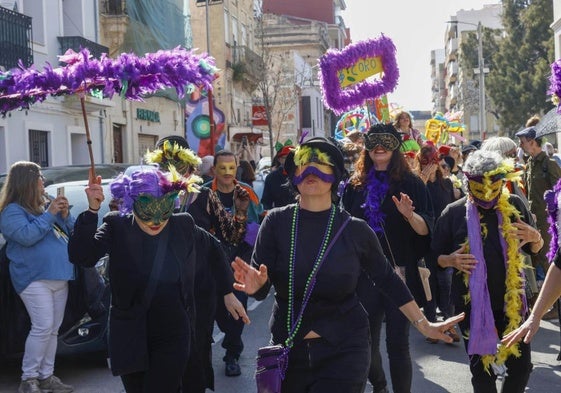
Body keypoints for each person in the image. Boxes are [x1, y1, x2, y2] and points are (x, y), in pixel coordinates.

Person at [230, 137, 463, 392]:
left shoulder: (354, 230)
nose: (310, 171)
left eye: (320, 164)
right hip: (289, 351)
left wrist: (425, 325)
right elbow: (261, 288)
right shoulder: (276, 223)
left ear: (336, 175)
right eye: (303, 163)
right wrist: (256, 286)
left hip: (345, 352)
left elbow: (388, 280)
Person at [67, 168, 249, 393]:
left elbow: (214, 248)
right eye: (147, 213)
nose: (155, 222)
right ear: (132, 203)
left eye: (162, 213)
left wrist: (227, 292)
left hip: (173, 331)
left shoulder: (182, 225)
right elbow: (82, 256)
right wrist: (92, 210)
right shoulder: (117, 226)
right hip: (129, 331)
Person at [432, 150, 543, 393]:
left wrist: (536, 238)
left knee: (521, 367)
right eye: (478, 183)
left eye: (493, 182)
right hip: (471, 306)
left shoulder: (515, 205)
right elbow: (434, 259)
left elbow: (536, 248)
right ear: (468, 181)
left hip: (513, 302)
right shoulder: (453, 212)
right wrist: (449, 260)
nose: (487, 190)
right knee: (482, 373)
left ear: (502, 180)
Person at [145, 136, 250, 392]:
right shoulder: (146, 195)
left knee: (196, 350)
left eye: (178, 162)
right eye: (165, 162)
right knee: (163, 354)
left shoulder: (204, 196)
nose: (171, 168)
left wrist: (239, 210)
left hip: (199, 290)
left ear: (189, 164)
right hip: (159, 289)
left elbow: (231, 237)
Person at [341, 124, 434, 393]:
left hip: (399, 273)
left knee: (398, 343)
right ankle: (379, 386)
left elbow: (427, 228)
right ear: (366, 148)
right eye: (373, 143)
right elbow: (342, 229)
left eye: (385, 142)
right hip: (364, 275)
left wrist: (409, 215)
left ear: (395, 147)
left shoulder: (412, 183)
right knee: (366, 341)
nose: (379, 147)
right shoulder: (354, 186)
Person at [0, 161, 74, 393]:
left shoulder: (44, 206)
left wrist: (65, 214)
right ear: (27, 181)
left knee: (52, 329)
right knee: (42, 326)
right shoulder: (12, 211)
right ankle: (29, 379)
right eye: (40, 177)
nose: (44, 181)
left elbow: (71, 230)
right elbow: (26, 236)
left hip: (59, 276)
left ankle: (46, 376)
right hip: (33, 279)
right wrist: (50, 214)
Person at [204, 150, 264, 376]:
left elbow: (257, 223)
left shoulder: (247, 193)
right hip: (211, 265)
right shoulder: (203, 194)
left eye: (232, 167)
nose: (228, 173)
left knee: (237, 312)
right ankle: (207, 355)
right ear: (214, 170)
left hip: (239, 263)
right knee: (213, 311)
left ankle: (232, 355)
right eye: (222, 168)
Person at [415, 144, 460, 344]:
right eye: (425, 162)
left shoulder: (447, 185)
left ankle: (449, 326)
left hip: (444, 241)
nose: (430, 166)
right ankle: (431, 325)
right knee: (428, 285)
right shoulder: (416, 184)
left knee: (447, 284)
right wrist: (421, 181)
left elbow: (453, 210)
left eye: (432, 161)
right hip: (424, 241)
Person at [516, 126, 561, 320]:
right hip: (534, 222)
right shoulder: (531, 164)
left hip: (548, 222)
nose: (521, 145)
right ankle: (540, 303)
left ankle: (556, 307)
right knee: (536, 261)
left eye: (523, 141)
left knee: (551, 263)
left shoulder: (548, 164)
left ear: (533, 141)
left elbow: (559, 189)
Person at [261, 146, 296, 210]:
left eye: (293, 158)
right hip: (280, 217)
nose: (290, 160)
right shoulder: (271, 178)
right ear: (279, 160)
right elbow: (266, 202)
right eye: (285, 158)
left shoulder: (303, 176)